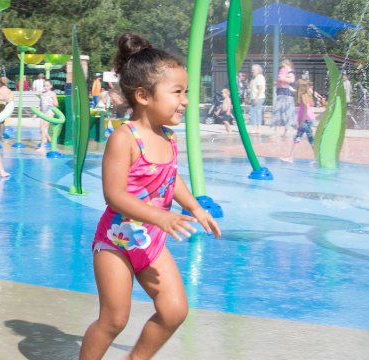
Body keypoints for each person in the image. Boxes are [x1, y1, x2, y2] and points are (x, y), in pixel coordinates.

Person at [81, 33, 220, 360]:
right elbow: (113, 196)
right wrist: (161, 216)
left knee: (174, 311)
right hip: (116, 241)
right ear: (143, 95)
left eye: (186, 92)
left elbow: (171, 177)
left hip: (150, 243)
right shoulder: (124, 138)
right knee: (114, 319)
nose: (185, 100)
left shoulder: (168, 137)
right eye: (177, 92)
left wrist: (194, 207)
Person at [271, 59, 297, 138]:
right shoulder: (283, 73)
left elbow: (292, 80)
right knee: (278, 113)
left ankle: (286, 132)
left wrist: (283, 79)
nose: (282, 68)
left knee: (287, 114)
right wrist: (279, 82)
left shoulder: (291, 73)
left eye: (284, 66)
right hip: (280, 94)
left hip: (287, 95)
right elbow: (275, 82)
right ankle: (277, 132)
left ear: (289, 65)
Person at [293, 71, 319, 144]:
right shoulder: (308, 95)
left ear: (300, 87)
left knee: (297, 138)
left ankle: (291, 155)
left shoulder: (303, 96)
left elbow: (305, 108)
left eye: (297, 86)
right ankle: (317, 154)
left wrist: (302, 120)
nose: (296, 88)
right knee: (311, 139)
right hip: (310, 120)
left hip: (305, 120)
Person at [33, 81, 59, 151]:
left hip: (50, 113)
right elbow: (40, 105)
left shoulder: (52, 94)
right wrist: (36, 114)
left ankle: (42, 147)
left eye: (47, 86)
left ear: (51, 86)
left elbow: (57, 104)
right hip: (43, 113)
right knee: (41, 130)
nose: (46, 87)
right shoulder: (42, 94)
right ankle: (51, 141)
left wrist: (52, 102)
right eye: (44, 86)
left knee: (43, 129)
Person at [248, 64, 266, 134]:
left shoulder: (259, 77)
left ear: (258, 70)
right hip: (257, 97)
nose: (252, 71)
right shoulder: (257, 77)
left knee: (252, 112)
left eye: (253, 70)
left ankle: (254, 128)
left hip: (258, 97)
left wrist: (256, 98)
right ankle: (259, 129)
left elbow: (260, 88)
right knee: (258, 113)